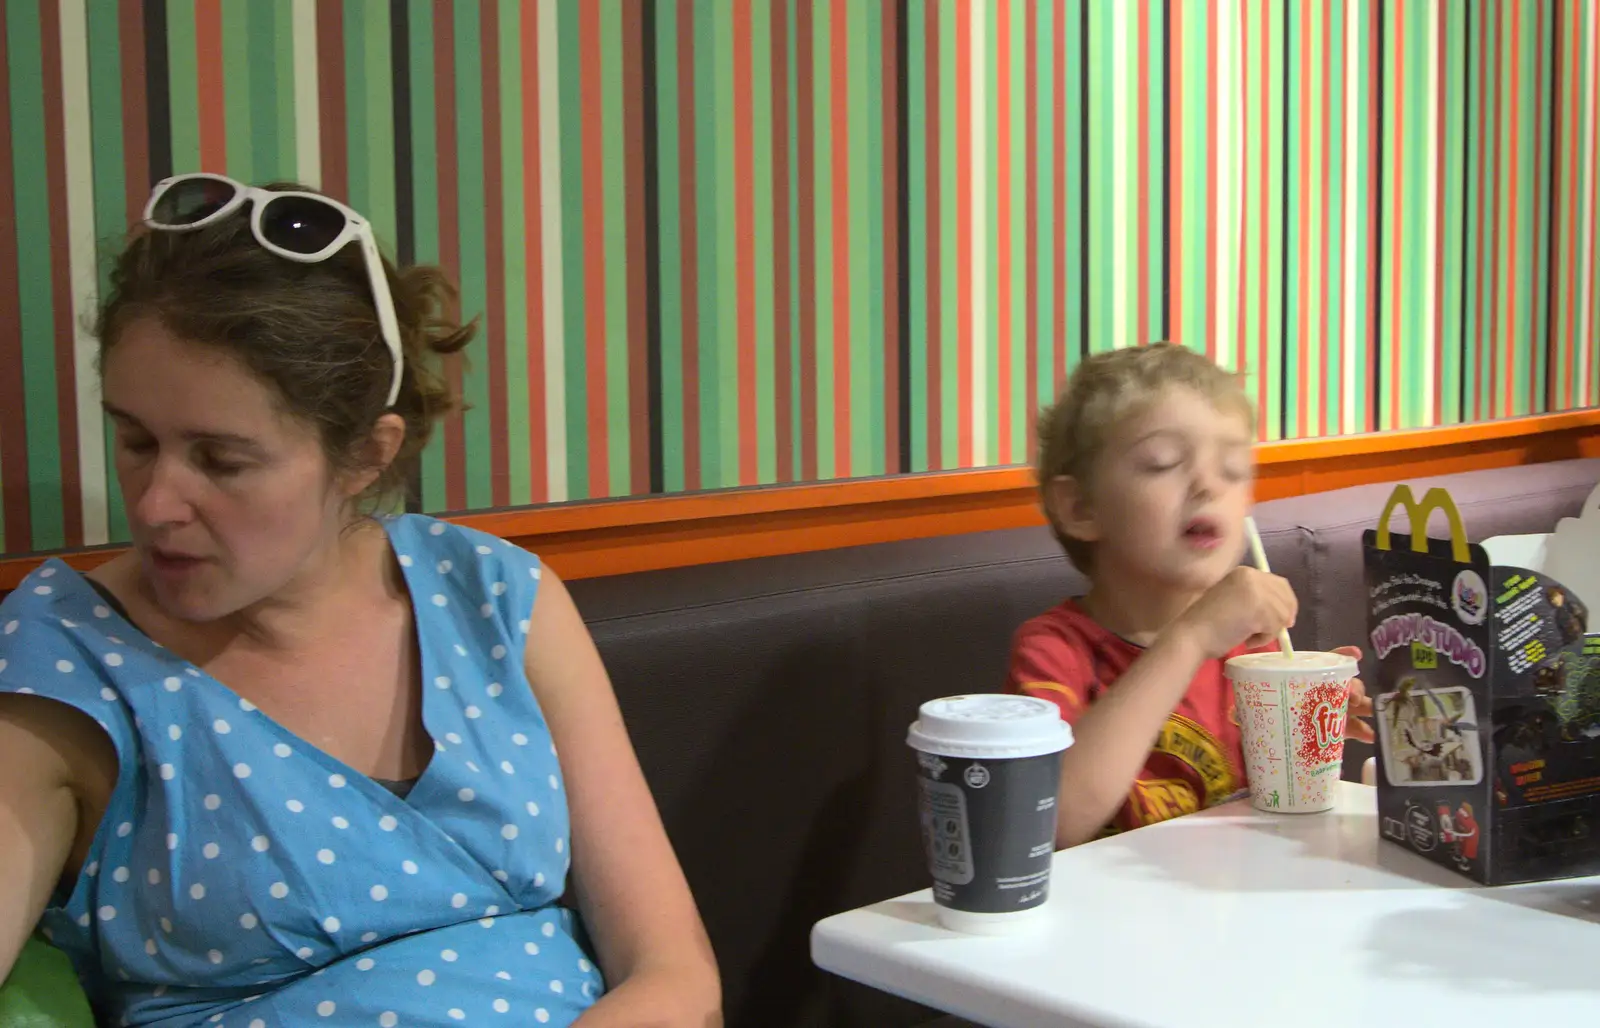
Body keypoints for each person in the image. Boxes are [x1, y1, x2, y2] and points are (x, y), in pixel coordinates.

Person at [0, 175, 720, 1027]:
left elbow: (673, 972)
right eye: (135, 440)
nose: (156, 502)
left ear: (365, 454)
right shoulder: (66, 663)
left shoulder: (493, 599)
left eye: (222, 460)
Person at [1006, 344, 1375, 848]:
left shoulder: (1254, 648)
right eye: (1163, 463)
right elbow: (1047, 823)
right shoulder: (1054, 651)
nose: (1208, 485)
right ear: (1080, 507)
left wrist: (1305, 722)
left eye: (1232, 468)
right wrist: (1191, 637)